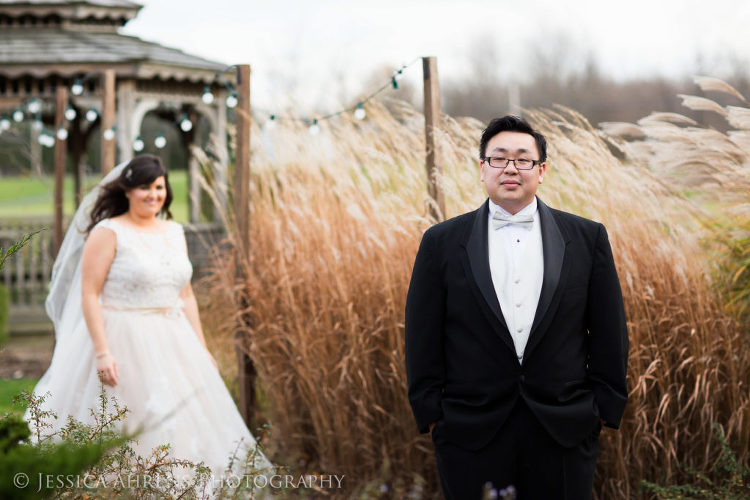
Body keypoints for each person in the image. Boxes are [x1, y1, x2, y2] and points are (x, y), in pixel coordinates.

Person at [404, 116, 629, 499]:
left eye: (523, 159)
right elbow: (421, 333)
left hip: (565, 430)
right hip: (469, 431)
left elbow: (610, 330)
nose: (511, 167)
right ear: (482, 169)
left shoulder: (587, 238)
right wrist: (432, 414)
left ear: (541, 171)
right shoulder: (441, 242)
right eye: (499, 158)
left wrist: (602, 408)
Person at [28, 155, 271, 482]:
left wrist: (202, 348)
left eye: (158, 187)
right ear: (127, 190)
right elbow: (89, 293)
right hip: (120, 337)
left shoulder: (174, 231)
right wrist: (102, 352)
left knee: (183, 420)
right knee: (125, 420)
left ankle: (178, 484)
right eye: (144, 187)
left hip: (173, 339)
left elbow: (185, 295)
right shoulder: (109, 232)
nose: (153, 194)